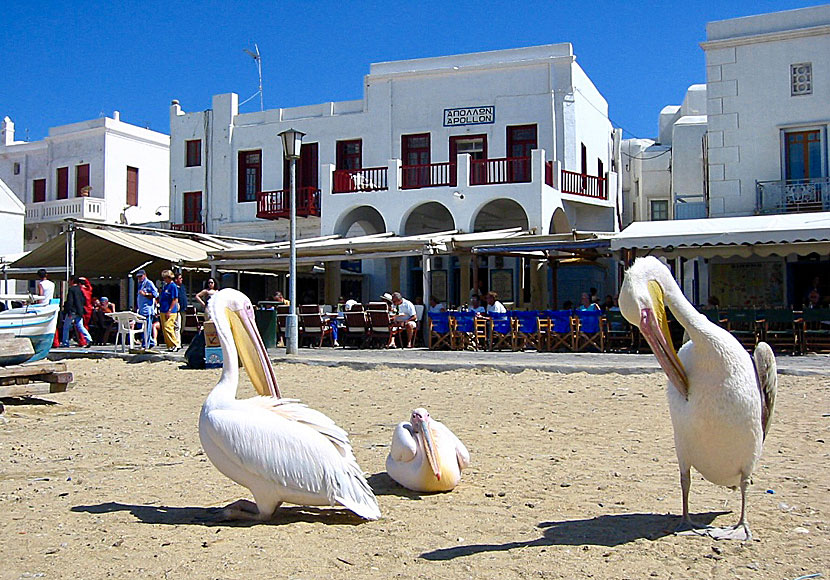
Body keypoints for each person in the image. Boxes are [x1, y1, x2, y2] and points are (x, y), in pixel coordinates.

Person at [61, 276, 93, 347]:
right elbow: (83, 300)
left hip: (72, 311)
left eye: (69, 280)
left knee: (66, 327)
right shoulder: (80, 289)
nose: (68, 282)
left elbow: (70, 301)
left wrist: (68, 310)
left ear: (72, 281)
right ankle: (89, 339)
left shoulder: (71, 289)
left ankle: (65, 342)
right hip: (79, 310)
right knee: (80, 326)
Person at [135, 269, 159, 348]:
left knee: (147, 328)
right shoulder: (140, 284)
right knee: (141, 327)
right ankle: (150, 342)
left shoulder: (149, 283)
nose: (139, 278)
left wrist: (145, 294)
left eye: (141, 276)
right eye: (138, 277)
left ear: (145, 275)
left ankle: (146, 344)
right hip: (141, 310)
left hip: (147, 310)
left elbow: (155, 294)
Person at [158, 269, 180, 351]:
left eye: (165, 278)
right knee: (164, 329)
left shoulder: (173, 286)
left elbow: (174, 299)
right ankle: (170, 345)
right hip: (163, 309)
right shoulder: (165, 286)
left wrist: (170, 310)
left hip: (170, 311)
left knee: (168, 327)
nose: (164, 280)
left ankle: (175, 344)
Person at [174, 272, 188, 346]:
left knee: (182, 326)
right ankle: (177, 342)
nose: (181, 279)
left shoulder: (182, 287)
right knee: (177, 326)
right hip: (177, 310)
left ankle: (178, 340)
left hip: (183, 309)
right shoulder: (174, 287)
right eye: (180, 278)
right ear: (176, 279)